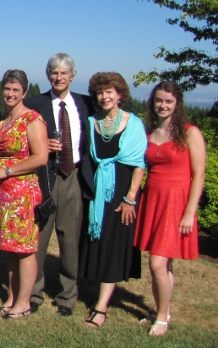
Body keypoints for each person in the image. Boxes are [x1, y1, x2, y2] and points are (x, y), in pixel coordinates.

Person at [24, 53, 94, 317]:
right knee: (39, 238)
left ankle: (67, 296)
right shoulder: (34, 104)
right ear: (48, 75)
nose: (58, 77)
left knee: (70, 239)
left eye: (64, 73)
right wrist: (40, 143)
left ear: (72, 76)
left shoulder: (86, 105)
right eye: (54, 72)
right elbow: (22, 139)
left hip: (73, 177)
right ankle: (33, 293)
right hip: (44, 178)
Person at [134, 81, 205, 336]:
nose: (163, 105)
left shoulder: (189, 133)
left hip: (176, 203)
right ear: (153, 103)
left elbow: (198, 176)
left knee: (156, 264)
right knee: (163, 265)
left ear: (177, 104)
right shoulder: (150, 133)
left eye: (168, 101)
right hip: (153, 200)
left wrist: (189, 212)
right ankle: (161, 310)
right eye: (159, 101)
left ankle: (162, 318)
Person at [78, 72, 146, 328]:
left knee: (112, 248)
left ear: (120, 94)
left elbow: (139, 165)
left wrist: (130, 199)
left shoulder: (133, 123)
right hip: (96, 194)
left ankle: (101, 308)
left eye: (110, 92)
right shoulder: (92, 122)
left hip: (120, 196)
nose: (105, 97)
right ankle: (99, 294)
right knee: (97, 243)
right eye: (100, 92)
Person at [0, 69, 48, 320]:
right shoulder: (3, 121)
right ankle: (11, 297)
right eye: (7, 89)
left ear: (25, 92)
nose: (10, 94)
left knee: (25, 249)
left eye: (16, 90)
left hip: (23, 190)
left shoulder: (32, 119)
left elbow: (41, 157)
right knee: (10, 248)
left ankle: (24, 302)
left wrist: (8, 170)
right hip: (3, 192)